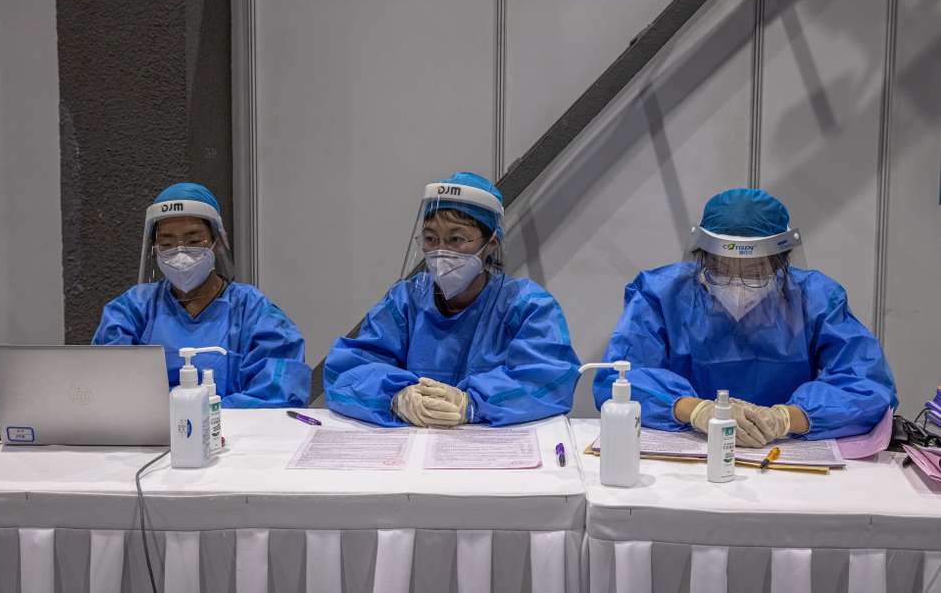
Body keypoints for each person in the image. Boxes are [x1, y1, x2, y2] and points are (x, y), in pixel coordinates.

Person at [593, 188, 897, 446]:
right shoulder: (661, 294)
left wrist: (786, 418)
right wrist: (695, 410)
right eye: (720, 269)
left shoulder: (815, 298)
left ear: (781, 264)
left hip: (782, 449)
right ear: (702, 258)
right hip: (688, 447)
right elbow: (618, 378)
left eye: (755, 272)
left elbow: (867, 385)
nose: (737, 285)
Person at [324, 172, 581, 427]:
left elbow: (550, 381)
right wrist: (395, 398)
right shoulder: (404, 301)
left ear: (491, 243)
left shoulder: (527, 306)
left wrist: (470, 404)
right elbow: (346, 372)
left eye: (456, 239)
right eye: (430, 238)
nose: (440, 251)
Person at [93, 183, 310, 407]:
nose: (180, 252)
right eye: (166, 243)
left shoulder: (254, 312)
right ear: (154, 248)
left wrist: (205, 417)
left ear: (216, 242)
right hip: (150, 439)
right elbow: (107, 386)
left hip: (234, 437)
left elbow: (277, 394)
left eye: (194, 241)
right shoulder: (132, 310)